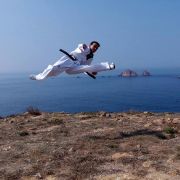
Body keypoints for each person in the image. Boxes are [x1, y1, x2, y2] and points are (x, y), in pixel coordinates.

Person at [30, 41, 115, 80]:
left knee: (88, 67)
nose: (95, 48)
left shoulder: (91, 57)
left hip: (75, 67)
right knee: (53, 69)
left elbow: (86, 67)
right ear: (90, 45)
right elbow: (80, 47)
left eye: (97, 48)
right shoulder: (84, 46)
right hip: (69, 60)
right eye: (94, 46)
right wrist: (84, 49)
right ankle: (38, 77)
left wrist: (92, 71)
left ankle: (108, 66)